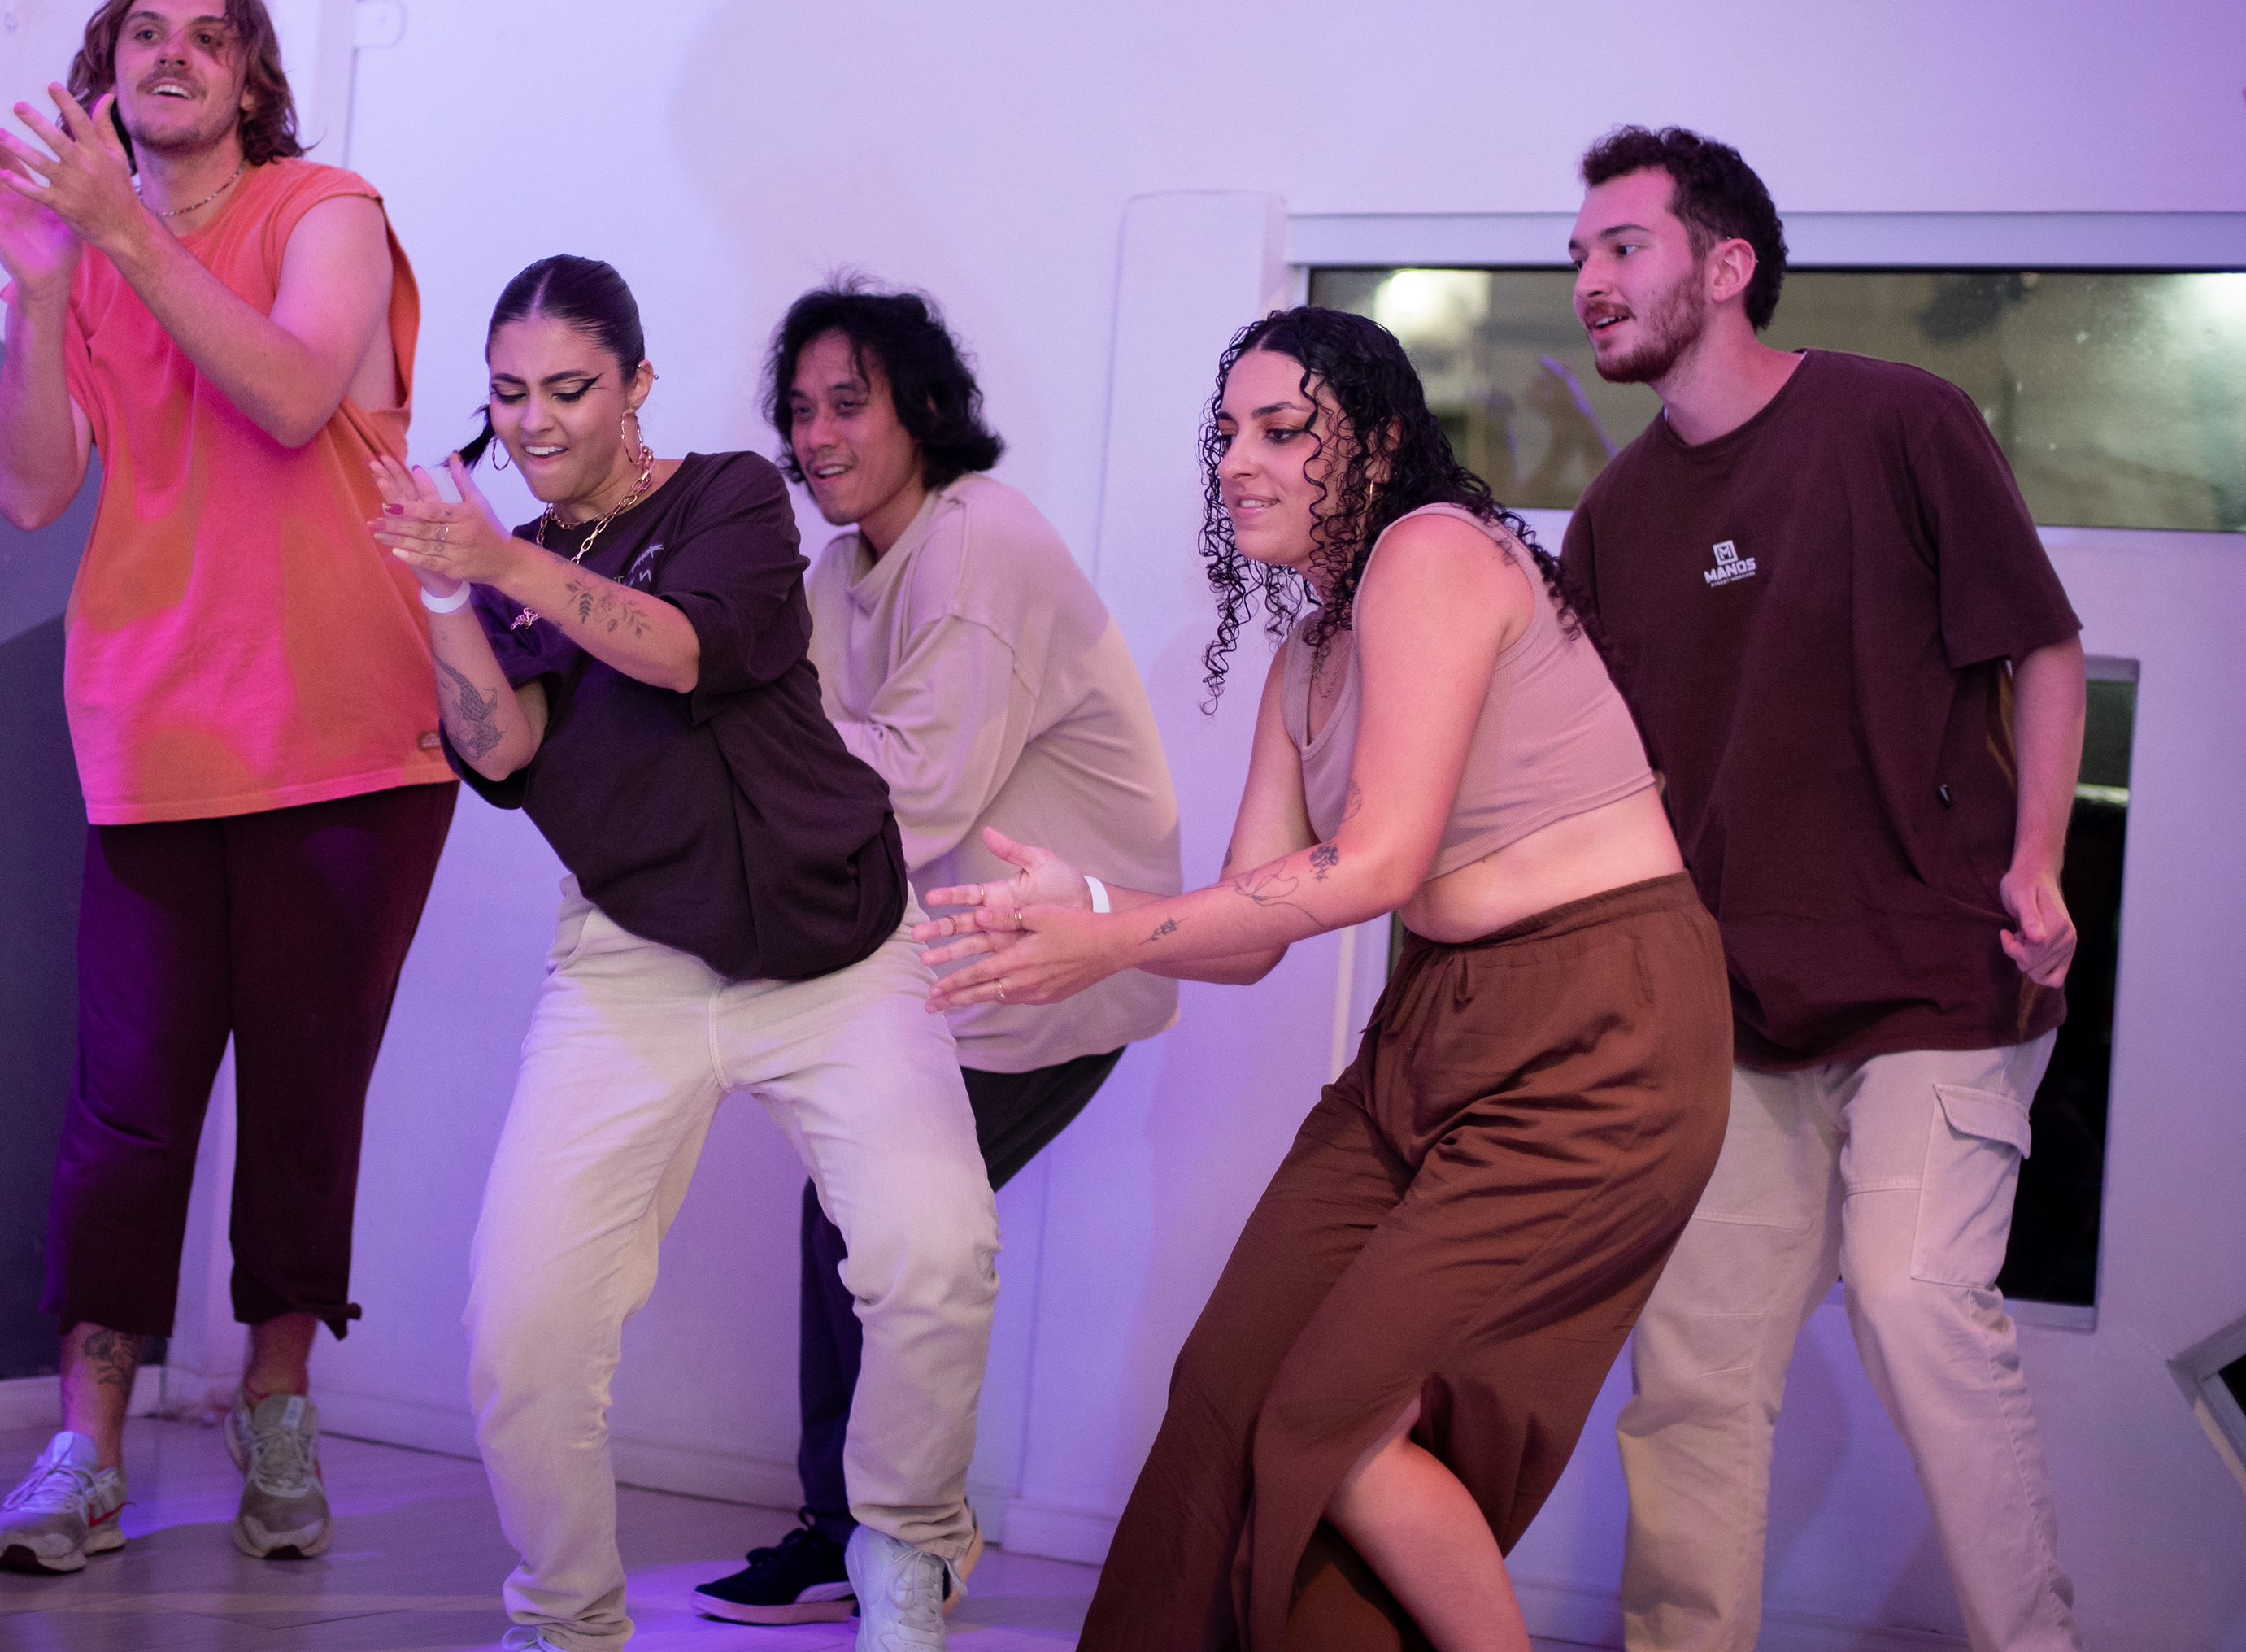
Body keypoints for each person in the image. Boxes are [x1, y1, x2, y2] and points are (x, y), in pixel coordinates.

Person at [920, 305, 1734, 1651]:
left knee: (1329, 1427)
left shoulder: (1435, 551)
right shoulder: (1306, 656)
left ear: (1382, 443)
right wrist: (1097, 907)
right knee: (1224, 1385)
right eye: (1225, 434)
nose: (1238, 461)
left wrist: (1112, 939)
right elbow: (1249, 939)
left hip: (1601, 1028)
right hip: (1435, 1020)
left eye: (1284, 430)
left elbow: (1376, 861)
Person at [364, 257, 999, 1652]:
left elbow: (683, 649)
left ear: (636, 384)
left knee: (933, 1254)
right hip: (636, 957)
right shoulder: (507, 573)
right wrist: (446, 598)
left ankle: (905, 1545)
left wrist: (497, 561)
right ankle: (566, 1617)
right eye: (510, 393)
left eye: (570, 388)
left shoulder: (730, 497)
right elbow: (502, 749)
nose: (536, 421)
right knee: (522, 1326)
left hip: (837, 942)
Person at [1561, 128, 2087, 1652]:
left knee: (1913, 1298)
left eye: (1624, 247)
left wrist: (2038, 859)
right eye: (1579, 254)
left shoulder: (1899, 420)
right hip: (1737, 1015)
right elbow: (1613, 790)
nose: (1588, 279)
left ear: (1727, 266)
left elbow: (2042, 645)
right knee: (1693, 1371)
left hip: (1937, 978)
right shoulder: (1613, 519)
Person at [0, 0, 455, 1571]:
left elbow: (297, 391)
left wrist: (117, 232)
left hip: (348, 737)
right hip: (154, 732)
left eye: (209, 37)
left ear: (251, 79)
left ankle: (275, 1400)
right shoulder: (88, 252)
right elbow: (32, 489)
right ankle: (85, 1450)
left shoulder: (325, 208)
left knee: (305, 1097)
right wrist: (44, 284)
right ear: (107, 71)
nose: (172, 56)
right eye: (143, 34)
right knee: (125, 1113)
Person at [692, 281, 1182, 1626]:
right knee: (860, 1223)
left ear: (919, 406)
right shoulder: (842, 572)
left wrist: (749, 772)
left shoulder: (978, 546)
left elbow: (903, 795)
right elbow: (791, 750)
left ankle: (891, 1540)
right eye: (801, 410)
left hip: (1057, 961)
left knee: (880, 1225)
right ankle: (858, 1531)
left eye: (849, 403)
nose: (819, 435)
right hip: (943, 963)